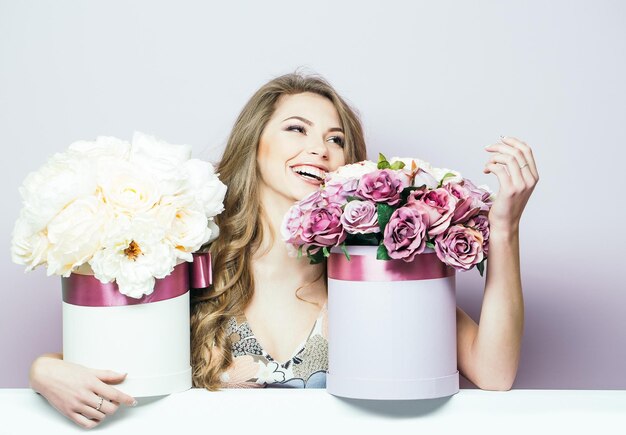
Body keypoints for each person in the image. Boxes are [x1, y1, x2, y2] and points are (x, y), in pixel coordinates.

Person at [28, 69, 539, 429]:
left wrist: (504, 231)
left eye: (337, 140)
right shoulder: (181, 257)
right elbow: (107, 360)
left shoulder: (376, 274)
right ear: (256, 143)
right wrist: (44, 369)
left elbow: (492, 372)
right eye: (296, 129)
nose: (319, 149)